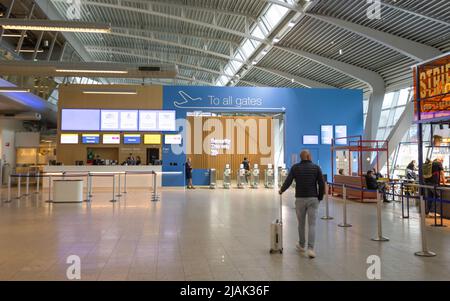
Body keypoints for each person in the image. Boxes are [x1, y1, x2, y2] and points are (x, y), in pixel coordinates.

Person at [279, 150, 324, 259]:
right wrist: (320, 197)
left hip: (300, 199)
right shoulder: (316, 168)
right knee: (312, 224)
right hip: (313, 198)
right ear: (308, 156)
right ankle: (311, 249)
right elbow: (321, 183)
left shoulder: (295, 168)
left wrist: (281, 190)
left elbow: (288, 181)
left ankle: (301, 245)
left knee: (301, 224)